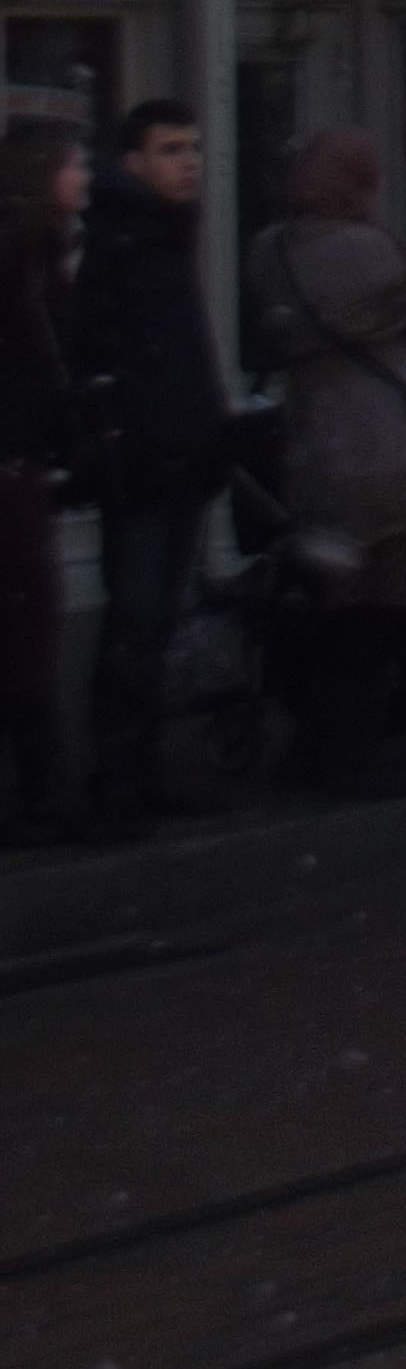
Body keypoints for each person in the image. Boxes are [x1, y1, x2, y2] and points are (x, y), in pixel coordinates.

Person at [243, 128, 406, 793]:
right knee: (377, 607)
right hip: (380, 450)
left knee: (331, 601)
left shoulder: (270, 249)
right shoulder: (368, 251)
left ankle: (315, 747)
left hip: (312, 448)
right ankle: (352, 751)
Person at [67, 101, 227, 835]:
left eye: (192, 147)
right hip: (144, 465)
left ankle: (136, 771)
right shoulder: (123, 244)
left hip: (173, 458)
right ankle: (117, 782)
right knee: (136, 622)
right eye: (169, 150)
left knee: (154, 622)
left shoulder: (160, 239)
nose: (188, 161)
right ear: (132, 163)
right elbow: (106, 361)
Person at [0, 123, 83, 841]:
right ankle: (40, 791)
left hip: (23, 462)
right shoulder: (21, 261)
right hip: (12, 467)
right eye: (71, 164)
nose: (82, 177)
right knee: (27, 621)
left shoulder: (37, 258)